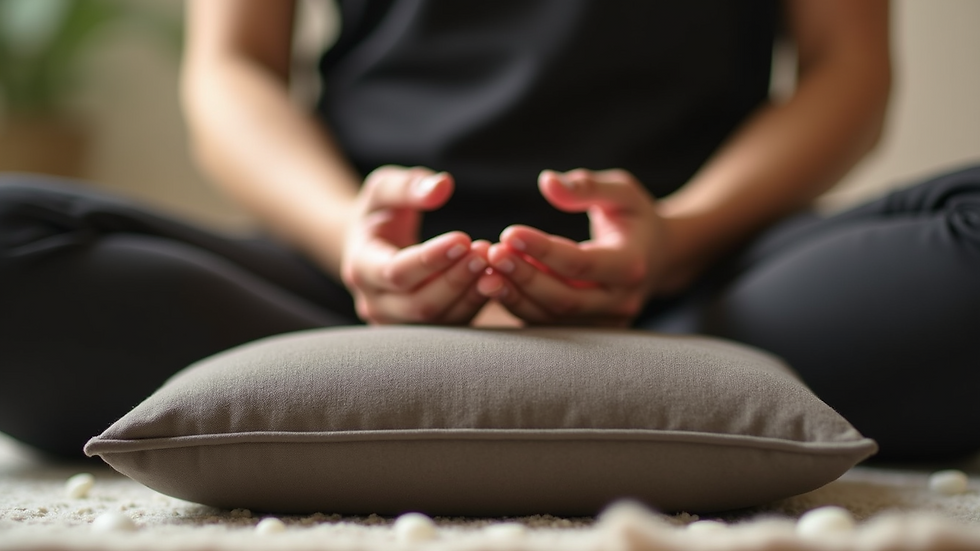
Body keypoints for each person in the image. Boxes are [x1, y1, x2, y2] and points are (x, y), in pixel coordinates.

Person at [0, 0, 977, 462]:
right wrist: (351, 236)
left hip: (701, 266)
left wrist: (675, 236)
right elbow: (232, 69)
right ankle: (650, 392)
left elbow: (844, 70)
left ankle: (620, 357)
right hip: (341, 279)